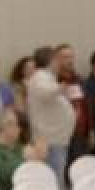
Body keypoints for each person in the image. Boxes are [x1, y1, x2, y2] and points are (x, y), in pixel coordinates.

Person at [24, 45, 75, 182]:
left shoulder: (49, 77)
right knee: (54, 179)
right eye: (57, 60)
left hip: (56, 140)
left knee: (58, 176)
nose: (59, 64)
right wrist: (59, 89)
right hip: (49, 141)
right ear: (51, 61)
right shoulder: (39, 77)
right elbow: (45, 92)